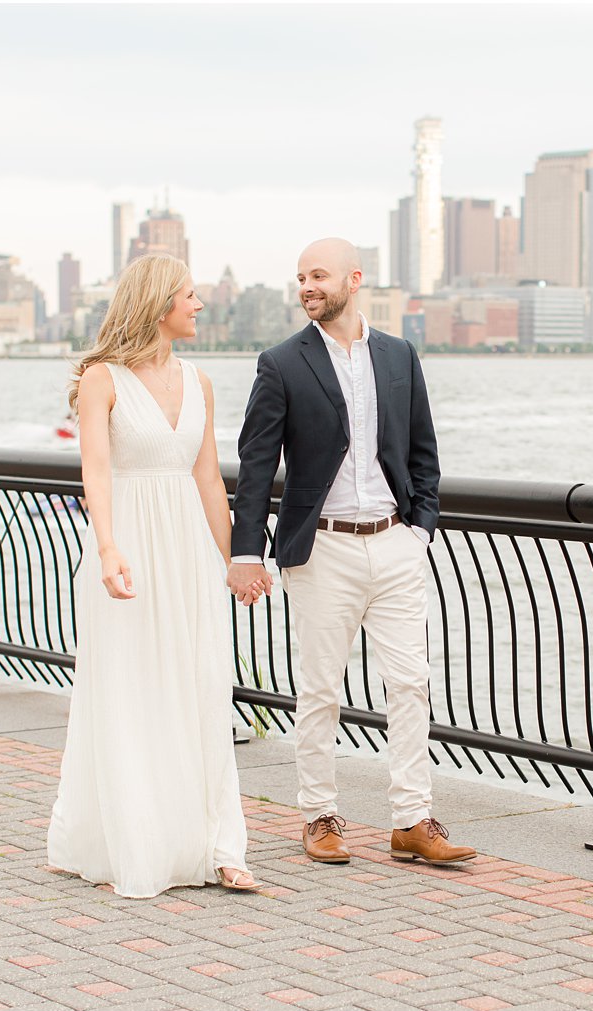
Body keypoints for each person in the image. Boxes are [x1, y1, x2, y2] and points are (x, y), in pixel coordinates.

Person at [227, 237, 475, 867]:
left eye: (318, 275)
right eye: (300, 277)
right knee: (319, 689)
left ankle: (413, 820)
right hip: (322, 551)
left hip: (394, 544)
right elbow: (257, 466)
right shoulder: (281, 363)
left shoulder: (398, 355)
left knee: (411, 684)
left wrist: (418, 529)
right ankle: (319, 814)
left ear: (353, 279)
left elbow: (424, 452)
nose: (306, 286)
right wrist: (246, 551)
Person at [48, 254, 259, 897]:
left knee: (201, 690)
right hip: (130, 549)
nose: (200, 305)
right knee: (132, 692)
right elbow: (97, 474)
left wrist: (235, 561)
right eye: (190, 295)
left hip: (188, 552)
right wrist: (108, 549)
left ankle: (223, 847)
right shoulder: (100, 380)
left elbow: (206, 479)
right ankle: (139, 843)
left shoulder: (199, 381)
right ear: (159, 302)